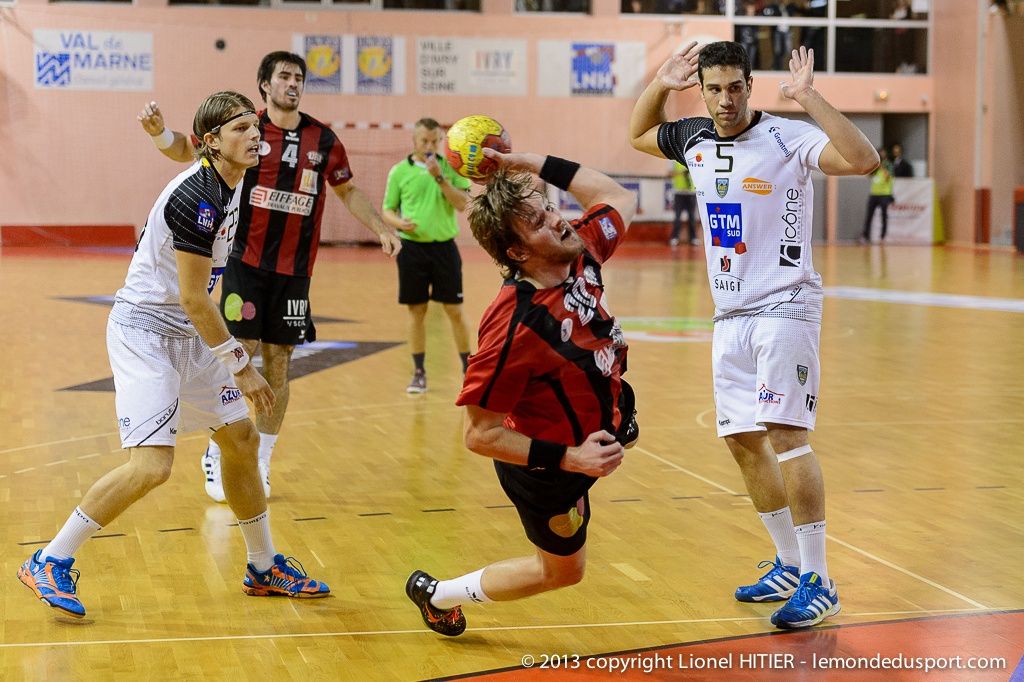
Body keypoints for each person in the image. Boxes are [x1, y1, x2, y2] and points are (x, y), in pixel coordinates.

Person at [18, 92, 330, 619]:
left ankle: (262, 566)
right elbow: (193, 298)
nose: (254, 135)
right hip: (146, 333)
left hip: (188, 330)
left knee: (241, 439)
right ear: (214, 142)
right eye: (240, 128)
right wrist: (242, 366)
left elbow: (184, 148)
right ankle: (50, 559)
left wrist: (163, 135)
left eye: (254, 126)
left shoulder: (230, 173)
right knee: (152, 466)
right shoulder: (197, 198)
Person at [629, 41, 878, 629]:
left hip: (785, 306)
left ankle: (820, 580)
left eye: (734, 87)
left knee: (787, 436)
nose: (725, 99)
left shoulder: (788, 136)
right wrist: (661, 84)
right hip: (730, 314)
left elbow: (863, 160)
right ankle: (788, 564)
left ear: (750, 85)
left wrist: (809, 96)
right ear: (702, 91)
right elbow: (638, 134)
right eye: (713, 89)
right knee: (742, 440)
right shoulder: (693, 136)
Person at [138, 51, 402, 503]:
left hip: (296, 270)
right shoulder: (244, 128)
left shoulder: (323, 139)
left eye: (298, 77)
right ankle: (219, 449)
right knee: (240, 353)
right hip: (246, 262)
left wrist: (380, 227)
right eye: (284, 76)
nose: (292, 83)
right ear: (265, 84)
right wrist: (160, 133)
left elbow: (347, 189)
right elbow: (189, 148)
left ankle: (260, 459)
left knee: (280, 365)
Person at [405, 149, 640, 636]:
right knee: (562, 574)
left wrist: (529, 162)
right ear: (516, 252)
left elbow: (617, 195)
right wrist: (572, 458)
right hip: (548, 469)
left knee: (621, 421)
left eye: (549, 207)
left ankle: (617, 427)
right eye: (538, 221)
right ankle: (438, 595)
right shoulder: (514, 326)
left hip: (601, 421)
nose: (557, 219)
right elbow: (479, 435)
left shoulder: (580, 249)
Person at [382, 118, 473, 393]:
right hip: (412, 250)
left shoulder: (452, 168)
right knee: (416, 311)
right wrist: (398, 223)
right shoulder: (399, 171)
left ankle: (469, 370)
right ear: (414, 141)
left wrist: (440, 177)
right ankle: (419, 372)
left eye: (435, 141)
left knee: (455, 311)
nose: (430, 146)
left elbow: (463, 204)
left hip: (445, 248)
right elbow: (388, 209)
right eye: (424, 141)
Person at [861, 147, 895, 243]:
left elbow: (887, 176)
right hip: (874, 194)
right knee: (869, 216)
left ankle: (883, 236)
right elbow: (868, 175)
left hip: (885, 194)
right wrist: (874, 165)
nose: (882, 155)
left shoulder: (888, 165)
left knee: (884, 216)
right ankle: (865, 236)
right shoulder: (875, 166)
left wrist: (882, 166)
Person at [669, 160, 699, 246]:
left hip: (691, 192)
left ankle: (693, 237)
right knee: (677, 216)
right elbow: (669, 173)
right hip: (679, 192)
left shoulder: (693, 158)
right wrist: (682, 173)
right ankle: (675, 237)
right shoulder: (674, 159)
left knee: (692, 216)